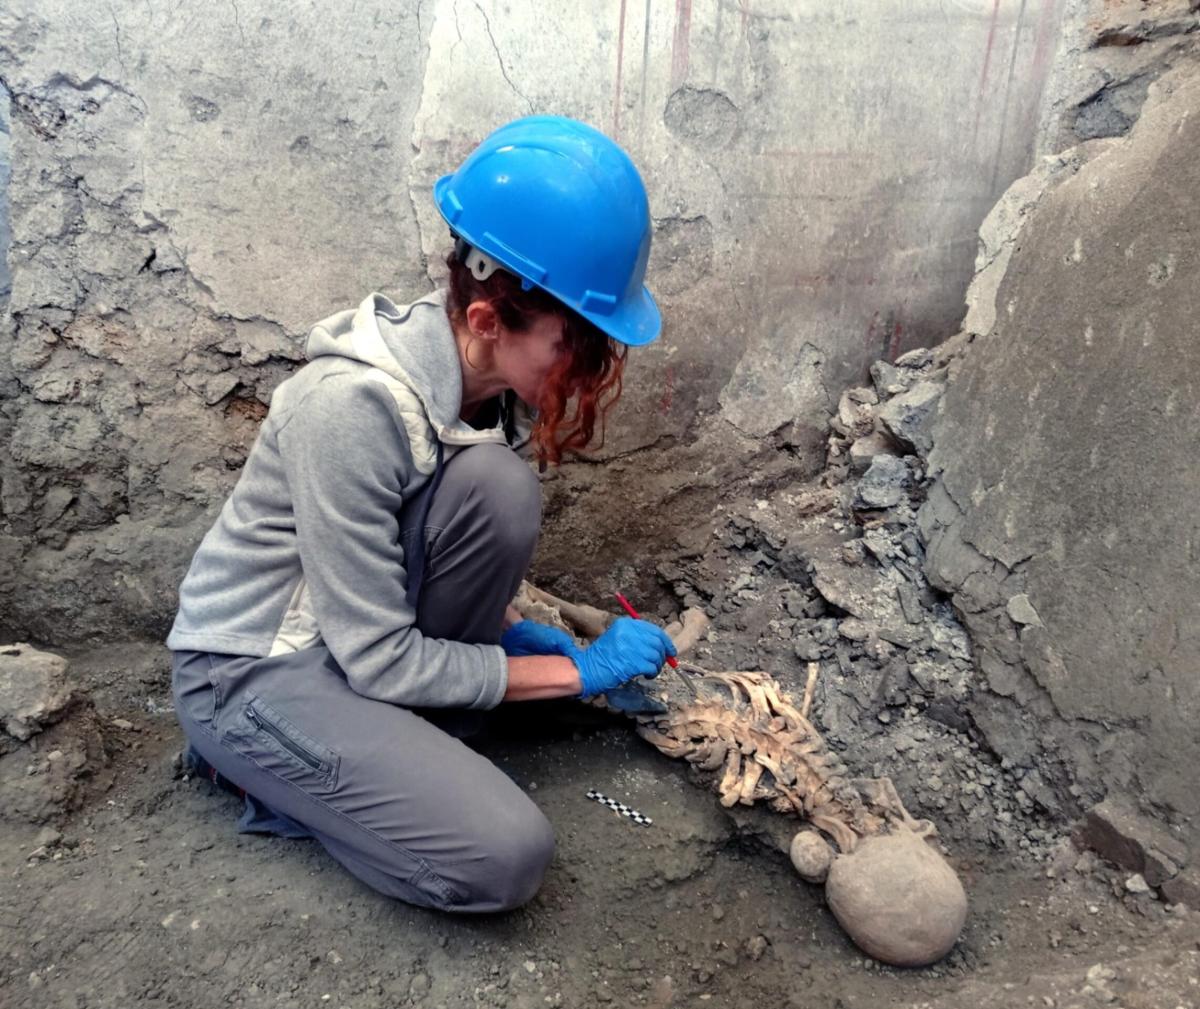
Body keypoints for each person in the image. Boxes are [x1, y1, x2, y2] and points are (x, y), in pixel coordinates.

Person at [166, 115, 676, 912]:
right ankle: (252, 767)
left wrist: (505, 633)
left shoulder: (485, 397)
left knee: (500, 488)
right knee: (504, 855)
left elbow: (421, 543)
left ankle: (384, 751)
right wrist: (575, 671)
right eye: (570, 343)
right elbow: (382, 659)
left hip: (355, 640)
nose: (585, 370)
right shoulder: (349, 410)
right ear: (484, 322)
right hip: (256, 672)